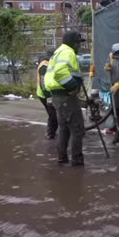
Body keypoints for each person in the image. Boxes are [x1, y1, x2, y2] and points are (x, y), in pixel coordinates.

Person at [44, 31, 86, 166]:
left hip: (58, 97)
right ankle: (77, 160)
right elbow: (60, 72)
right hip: (66, 97)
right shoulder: (68, 52)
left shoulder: (58, 52)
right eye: (78, 43)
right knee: (77, 128)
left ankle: (62, 157)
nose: (79, 46)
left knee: (64, 128)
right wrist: (72, 86)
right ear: (73, 43)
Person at [36, 53, 58, 139]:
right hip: (46, 94)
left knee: (53, 114)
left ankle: (51, 132)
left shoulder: (43, 65)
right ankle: (50, 133)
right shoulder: (45, 66)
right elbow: (44, 84)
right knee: (53, 114)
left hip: (44, 94)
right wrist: (49, 98)